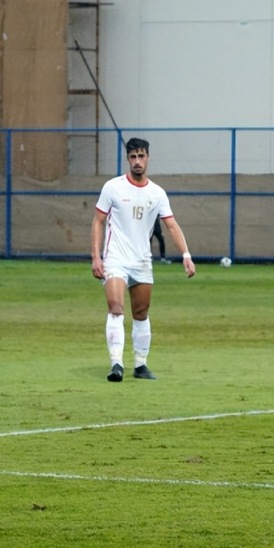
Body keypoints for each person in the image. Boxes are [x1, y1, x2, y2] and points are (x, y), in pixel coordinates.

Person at [90, 137, 196, 382]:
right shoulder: (113, 187)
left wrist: (186, 255)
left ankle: (140, 365)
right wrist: (97, 257)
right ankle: (116, 364)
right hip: (115, 259)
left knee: (141, 312)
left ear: (148, 157)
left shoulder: (157, 193)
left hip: (142, 261)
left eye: (141, 156)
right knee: (116, 308)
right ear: (127, 159)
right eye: (133, 157)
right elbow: (98, 221)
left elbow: (171, 225)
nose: (137, 161)